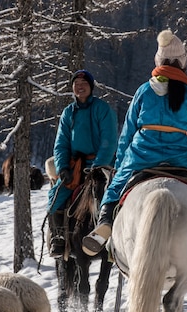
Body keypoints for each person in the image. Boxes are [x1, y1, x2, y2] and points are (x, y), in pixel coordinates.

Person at [82, 29, 187, 259]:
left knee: (114, 189)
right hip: (181, 158)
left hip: (141, 156)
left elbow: (127, 133)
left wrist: (119, 166)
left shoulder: (144, 90)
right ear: (182, 62)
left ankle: (105, 224)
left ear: (159, 60)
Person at [46, 69, 118, 257]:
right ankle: (59, 237)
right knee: (56, 194)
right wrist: (62, 168)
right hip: (76, 167)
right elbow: (61, 143)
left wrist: (98, 167)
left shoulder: (103, 109)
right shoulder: (68, 113)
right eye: (76, 84)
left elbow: (109, 141)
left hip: (101, 167)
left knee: (113, 197)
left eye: (84, 83)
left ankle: (116, 240)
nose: (80, 86)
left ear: (91, 87)